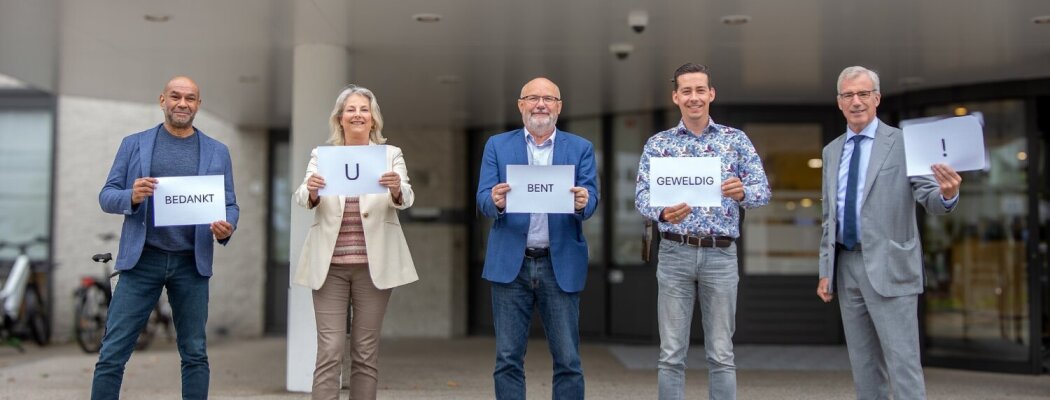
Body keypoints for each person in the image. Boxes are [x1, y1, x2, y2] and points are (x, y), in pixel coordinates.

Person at [816, 66, 961, 400]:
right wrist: (826, 270)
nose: (856, 101)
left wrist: (948, 194)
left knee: (903, 362)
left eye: (863, 94)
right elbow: (829, 217)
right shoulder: (831, 150)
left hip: (891, 265)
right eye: (848, 95)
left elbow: (930, 198)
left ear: (877, 98)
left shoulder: (904, 143)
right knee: (864, 365)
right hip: (847, 267)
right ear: (839, 102)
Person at [93, 76, 239, 400]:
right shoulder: (134, 144)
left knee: (195, 353)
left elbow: (229, 203)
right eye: (176, 96)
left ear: (198, 105)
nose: (182, 103)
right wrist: (131, 195)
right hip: (142, 259)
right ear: (162, 100)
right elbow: (107, 196)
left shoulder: (217, 151)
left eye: (190, 98)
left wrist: (227, 225)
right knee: (113, 352)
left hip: (191, 263)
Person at [634, 63, 770, 400]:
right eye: (686, 91)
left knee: (722, 354)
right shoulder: (658, 144)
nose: (694, 97)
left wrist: (743, 193)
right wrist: (661, 211)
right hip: (675, 252)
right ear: (675, 96)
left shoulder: (735, 140)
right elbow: (641, 196)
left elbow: (762, 191)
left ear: (711, 94)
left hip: (720, 254)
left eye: (700, 90)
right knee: (670, 354)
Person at [476, 77, 599, 400]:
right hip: (510, 266)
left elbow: (592, 199)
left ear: (559, 107)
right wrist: (496, 201)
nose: (540, 104)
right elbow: (483, 200)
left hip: (559, 265)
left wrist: (585, 202)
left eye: (548, 98)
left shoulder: (581, 147)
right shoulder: (497, 146)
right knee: (507, 359)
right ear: (521, 105)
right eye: (533, 98)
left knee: (568, 360)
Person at [292, 84, 417, 400]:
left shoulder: (390, 155)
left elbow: (407, 197)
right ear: (340, 119)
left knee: (364, 351)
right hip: (330, 267)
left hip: (373, 269)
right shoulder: (322, 155)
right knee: (330, 350)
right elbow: (301, 195)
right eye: (351, 109)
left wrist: (396, 188)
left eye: (364, 109)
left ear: (373, 119)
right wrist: (312, 190)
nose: (358, 115)